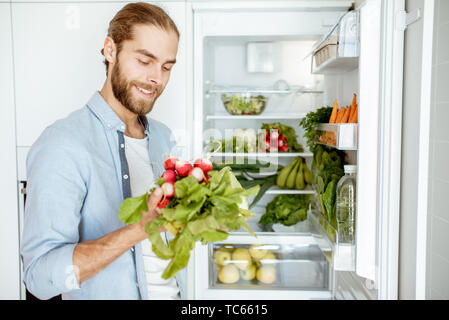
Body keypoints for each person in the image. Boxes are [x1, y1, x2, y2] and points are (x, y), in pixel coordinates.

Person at [20, 2, 185, 300]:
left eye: (166, 67)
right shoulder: (62, 144)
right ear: (111, 50)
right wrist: (139, 228)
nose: (157, 79)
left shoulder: (163, 138)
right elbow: (39, 277)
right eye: (145, 61)